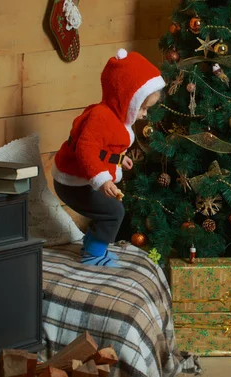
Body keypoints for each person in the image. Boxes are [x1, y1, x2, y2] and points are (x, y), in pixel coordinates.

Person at [51, 48, 165, 267]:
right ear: (126, 99)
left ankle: (92, 245)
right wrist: (102, 180)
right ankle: (93, 254)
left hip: (85, 176)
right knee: (113, 211)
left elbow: (105, 148)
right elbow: (86, 150)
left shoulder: (114, 116)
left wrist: (119, 160)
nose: (144, 114)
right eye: (143, 107)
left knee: (108, 210)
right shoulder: (101, 117)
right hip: (73, 181)